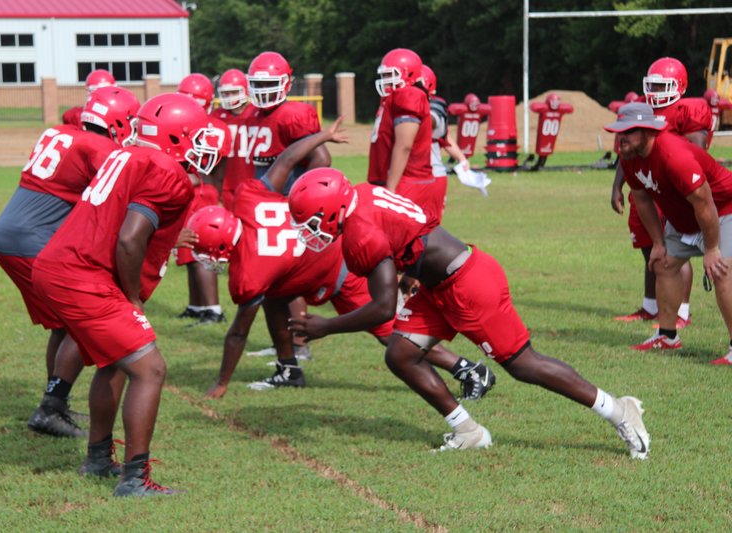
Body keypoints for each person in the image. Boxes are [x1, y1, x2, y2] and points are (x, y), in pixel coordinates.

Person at [287, 169, 650, 459]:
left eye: (311, 222)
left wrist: (326, 326)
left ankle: (619, 410)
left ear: (331, 209)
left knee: (524, 365)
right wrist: (410, 279)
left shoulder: (359, 234)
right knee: (401, 354)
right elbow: (414, 239)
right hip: (437, 285)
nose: (309, 232)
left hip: (468, 284)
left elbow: (381, 308)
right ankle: (468, 431)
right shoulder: (361, 194)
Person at [182, 118, 494, 399]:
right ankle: (288, 369)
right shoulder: (250, 197)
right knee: (275, 297)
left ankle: (468, 369)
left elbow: (238, 333)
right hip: (325, 254)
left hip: (342, 269)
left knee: (392, 334)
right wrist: (323, 135)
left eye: (206, 253)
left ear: (221, 248)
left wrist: (222, 381)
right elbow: (288, 158)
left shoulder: (249, 274)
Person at [31, 93, 221, 496]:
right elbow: (131, 238)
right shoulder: (167, 171)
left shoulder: (129, 155)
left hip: (61, 265)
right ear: (175, 136)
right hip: (84, 274)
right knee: (149, 368)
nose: (203, 144)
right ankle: (136, 479)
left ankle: (98, 459)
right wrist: (131, 297)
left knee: (115, 363)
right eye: (196, 135)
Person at [0, 86, 140, 438]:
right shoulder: (102, 147)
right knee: (85, 319)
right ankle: (51, 405)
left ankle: (55, 400)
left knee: (64, 324)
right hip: (33, 240)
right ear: (118, 121)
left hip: (9, 233)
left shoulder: (61, 132)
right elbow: (113, 202)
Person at [606, 102, 732, 365]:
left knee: (722, 271)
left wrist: (711, 249)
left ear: (648, 131)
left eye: (628, 132)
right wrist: (657, 243)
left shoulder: (674, 155)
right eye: (620, 132)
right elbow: (641, 199)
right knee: (663, 264)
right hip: (686, 215)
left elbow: (705, 202)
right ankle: (667, 336)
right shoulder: (630, 158)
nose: (622, 139)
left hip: (722, 209)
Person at [244, 51, 332, 358]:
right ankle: (284, 343)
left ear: (286, 83)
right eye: (257, 83)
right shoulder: (255, 115)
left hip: (288, 206)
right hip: (267, 206)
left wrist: (303, 201)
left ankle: (299, 344)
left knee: (288, 278)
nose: (263, 90)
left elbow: (321, 159)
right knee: (275, 282)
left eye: (269, 83)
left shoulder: (295, 114)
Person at [610, 57, 709, 328]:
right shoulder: (641, 107)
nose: (655, 91)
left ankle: (681, 312)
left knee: (674, 251)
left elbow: (696, 153)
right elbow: (626, 149)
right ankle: (650, 306)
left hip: (672, 190)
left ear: (680, 86)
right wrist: (617, 185)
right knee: (649, 246)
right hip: (643, 187)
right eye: (651, 84)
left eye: (661, 85)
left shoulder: (688, 111)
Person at [174, 76, 234, 324]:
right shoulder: (203, 124)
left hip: (200, 190)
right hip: (195, 190)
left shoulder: (212, 128)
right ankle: (197, 305)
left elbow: (209, 171)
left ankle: (213, 309)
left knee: (201, 250)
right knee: (188, 251)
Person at [370, 49, 442, 226]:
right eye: (384, 75)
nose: (385, 81)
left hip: (407, 183)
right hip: (395, 181)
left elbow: (404, 145)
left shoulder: (409, 95)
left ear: (408, 74)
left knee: (405, 245)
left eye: (390, 75)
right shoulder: (391, 99)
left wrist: (391, 189)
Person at [212, 68, 256, 211]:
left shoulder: (257, 113)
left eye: (234, 92)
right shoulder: (216, 117)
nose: (230, 97)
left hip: (253, 184)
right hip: (226, 186)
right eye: (225, 93)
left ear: (245, 91)